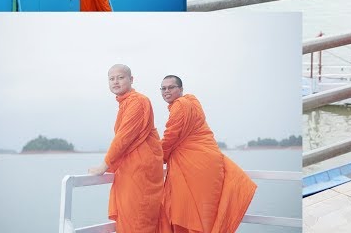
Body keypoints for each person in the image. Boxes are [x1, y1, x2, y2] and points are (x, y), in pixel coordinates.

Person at [157, 76, 258, 233]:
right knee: (206, 211)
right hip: (210, 161)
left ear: (181, 89)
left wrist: (155, 160)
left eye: (171, 87)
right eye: (163, 88)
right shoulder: (192, 101)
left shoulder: (180, 106)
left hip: (195, 165)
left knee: (189, 210)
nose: (167, 91)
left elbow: (170, 137)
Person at [88, 64, 163, 233]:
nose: (116, 82)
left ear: (131, 79)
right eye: (111, 78)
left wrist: (104, 166)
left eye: (120, 78)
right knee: (132, 218)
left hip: (140, 170)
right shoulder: (126, 103)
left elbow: (123, 138)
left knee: (139, 219)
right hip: (133, 168)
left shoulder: (137, 101)